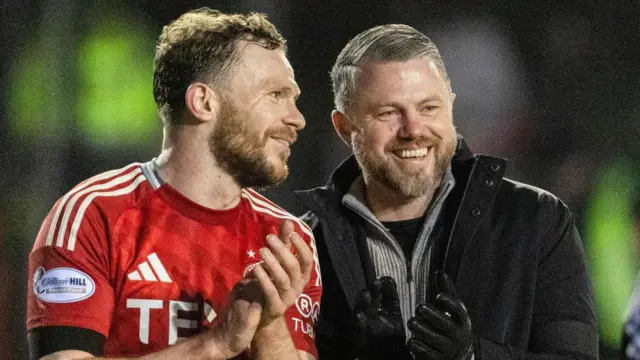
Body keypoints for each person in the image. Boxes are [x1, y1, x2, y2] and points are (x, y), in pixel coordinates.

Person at [27, 8, 321, 360]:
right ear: (203, 102)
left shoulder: (287, 239)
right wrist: (214, 344)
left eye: (294, 99)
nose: (297, 119)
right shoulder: (94, 214)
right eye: (275, 95)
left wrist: (269, 326)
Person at [295, 24, 598, 359]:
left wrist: (474, 355)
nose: (413, 130)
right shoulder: (301, 246)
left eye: (429, 108)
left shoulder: (538, 221)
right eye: (388, 113)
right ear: (345, 127)